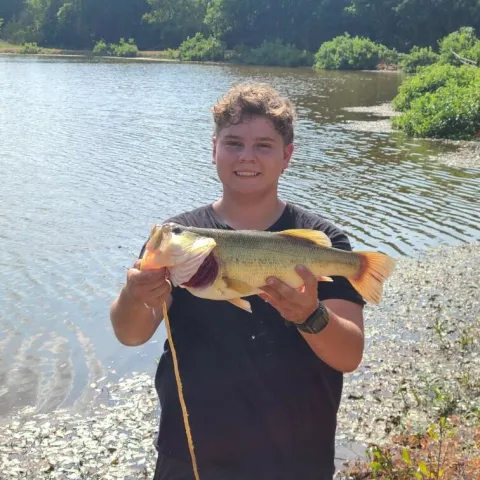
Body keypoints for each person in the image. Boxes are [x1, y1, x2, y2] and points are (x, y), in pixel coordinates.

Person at [110, 83, 366, 480]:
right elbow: (130, 335)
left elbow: (349, 356)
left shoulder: (324, 241)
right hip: (192, 453)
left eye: (264, 145)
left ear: (287, 156)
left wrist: (311, 316)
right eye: (233, 143)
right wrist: (134, 294)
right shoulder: (178, 237)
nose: (247, 156)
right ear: (214, 149)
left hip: (297, 455)